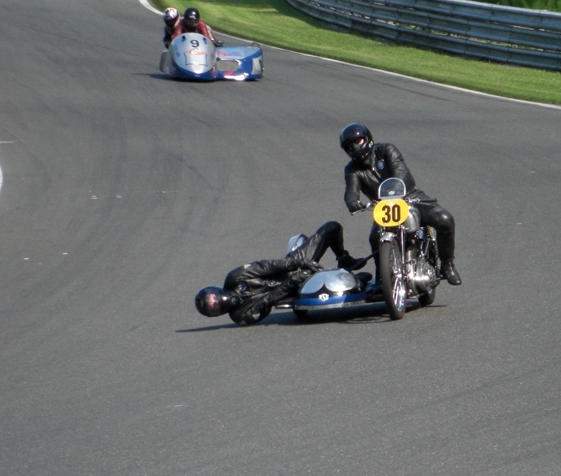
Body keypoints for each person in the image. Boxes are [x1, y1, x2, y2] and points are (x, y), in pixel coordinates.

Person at [339, 122, 462, 286]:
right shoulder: (352, 169)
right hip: (383, 207)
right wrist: (352, 202)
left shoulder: (386, 150)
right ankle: (382, 277)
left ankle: (447, 265)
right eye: (349, 145)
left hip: (410, 196)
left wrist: (396, 191)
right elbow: (351, 190)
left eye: (357, 141)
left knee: (445, 219)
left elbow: (400, 173)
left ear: (367, 138)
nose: (354, 147)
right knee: (374, 237)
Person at [195, 221, 367, 325]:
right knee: (356, 284)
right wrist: (294, 281)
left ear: (216, 290)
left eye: (214, 297)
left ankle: (343, 258)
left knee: (331, 227)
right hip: (290, 290)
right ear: (215, 312)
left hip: (289, 268)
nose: (216, 301)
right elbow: (268, 301)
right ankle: (357, 280)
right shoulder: (241, 316)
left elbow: (267, 266)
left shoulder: (234, 277)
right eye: (213, 305)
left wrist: (300, 262)